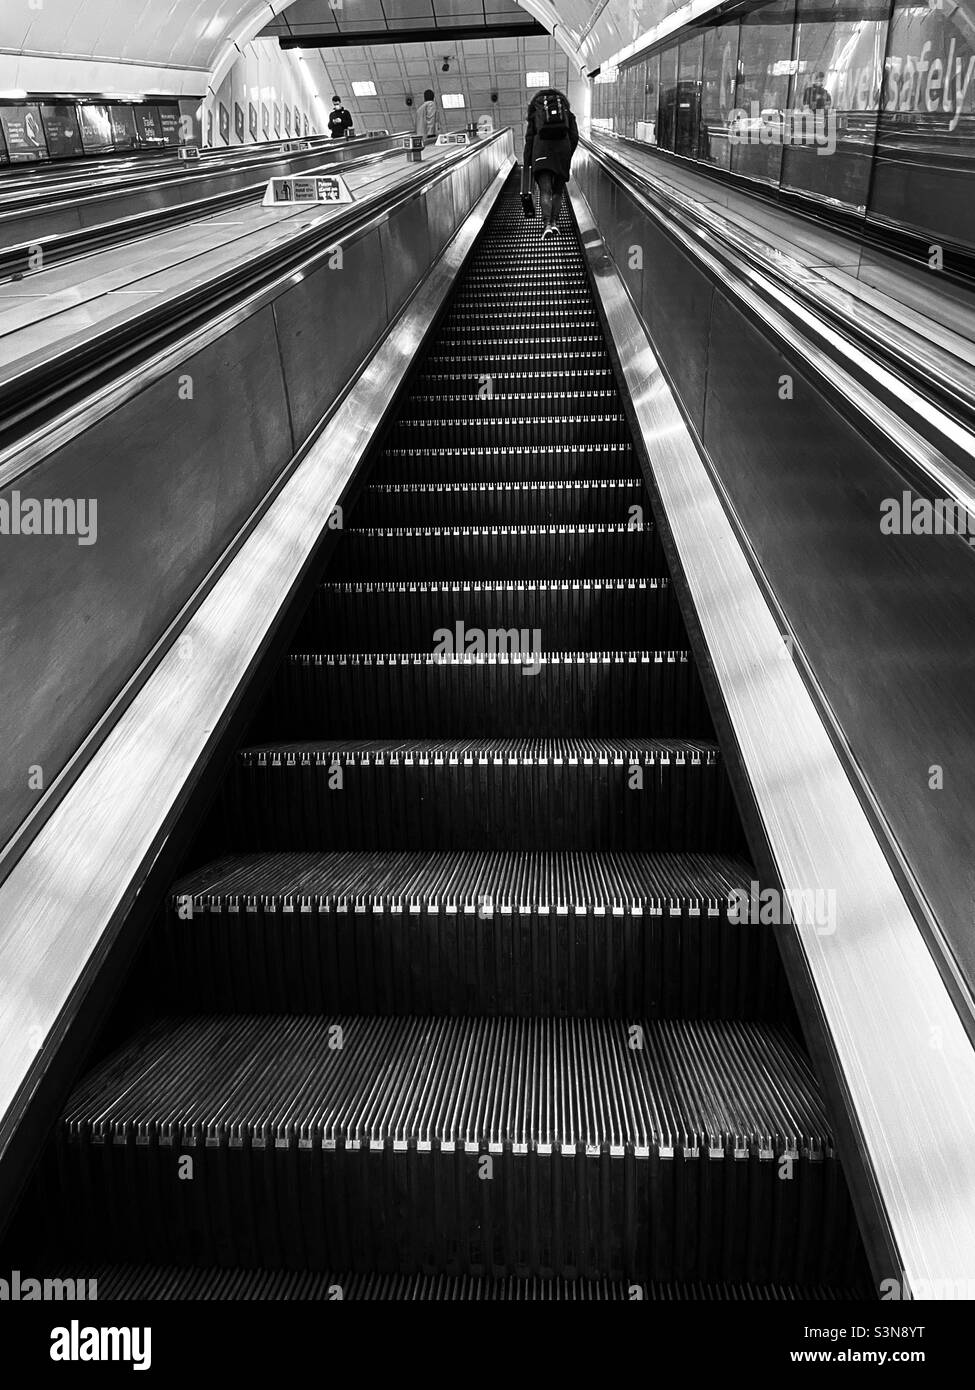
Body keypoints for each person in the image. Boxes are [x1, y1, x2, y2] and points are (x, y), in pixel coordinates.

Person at [523, 87, 579, 240]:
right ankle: (555, 223)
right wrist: (568, 153)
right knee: (557, 191)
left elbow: (529, 139)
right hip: (562, 152)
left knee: (545, 191)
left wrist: (527, 161)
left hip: (541, 153)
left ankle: (547, 224)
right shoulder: (566, 111)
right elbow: (574, 136)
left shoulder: (536, 111)